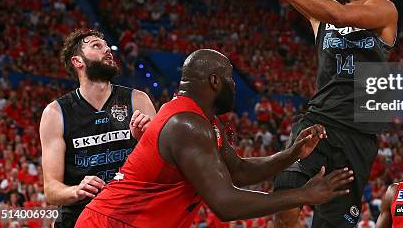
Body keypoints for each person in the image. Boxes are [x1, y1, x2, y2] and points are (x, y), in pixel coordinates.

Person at [217, 0, 398, 228]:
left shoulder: (385, 12)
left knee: (333, 222)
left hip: (357, 134)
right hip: (317, 121)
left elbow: (340, 16)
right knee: (285, 198)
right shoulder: (322, 10)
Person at [76, 49, 354, 227]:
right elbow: (225, 203)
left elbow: (240, 171)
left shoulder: (203, 121)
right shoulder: (186, 124)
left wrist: (292, 153)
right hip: (114, 223)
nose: (235, 86)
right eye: (231, 79)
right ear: (214, 81)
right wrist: (304, 195)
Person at [40, 29, 156, 227]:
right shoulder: (55, 113)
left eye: (106, 45)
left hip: (130, 215)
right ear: (78, 61)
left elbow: (161, 168)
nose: (107, 50)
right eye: (96, 45)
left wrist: (145, 140)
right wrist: (76, 190)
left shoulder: (138, 100)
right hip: (80, 217)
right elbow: (51, 191)